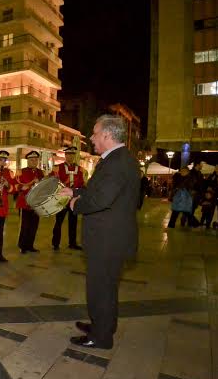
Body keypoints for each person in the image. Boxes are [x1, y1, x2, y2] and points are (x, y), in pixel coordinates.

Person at [60, 114, 140, 349]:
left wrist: (76, 205)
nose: (91, 138)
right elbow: (99, 190)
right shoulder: (119, 159)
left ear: (106, 134)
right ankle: (102, 325)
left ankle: (101, 337)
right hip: (110, 238)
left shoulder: (117, 162)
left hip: (107, 240)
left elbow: (102, 199)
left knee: (100, 288)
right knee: (106, 287)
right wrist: (75, 192)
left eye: (94, 133)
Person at [51, 146, 84, 250]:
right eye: (68, 154)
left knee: (73, 222)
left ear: (74, 156)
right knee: (58, 222)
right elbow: (52, 182)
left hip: (74, 199)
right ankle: (55, 243)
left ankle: (72, 243)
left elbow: (82, 184)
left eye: (72, 154)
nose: (70, 156)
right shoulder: (58, 168)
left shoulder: (80, 169)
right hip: (61, 199)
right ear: (65, 155)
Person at [17, 151, 44, 253]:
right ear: (27, 161)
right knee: (25, 226)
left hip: (36, 204)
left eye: (36, 160)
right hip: (25, 203)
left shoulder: (40, 172)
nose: (34, 162)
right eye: (32, 160)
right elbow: (18, 186)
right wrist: (31, 183)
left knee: (34, 226)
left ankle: (30, 245)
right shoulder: (21, 171)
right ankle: (22, 246)